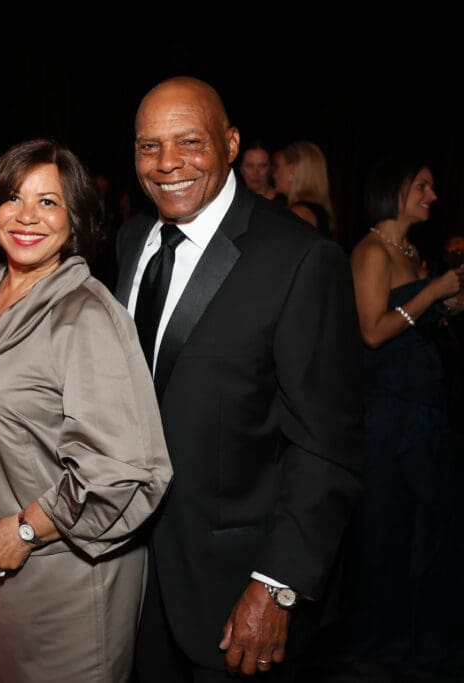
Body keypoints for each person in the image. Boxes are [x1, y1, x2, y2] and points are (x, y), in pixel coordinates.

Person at [113, 76, 364, 681]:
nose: (167, 163)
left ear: (229, 144)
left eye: (189, 142)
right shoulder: (131, 240)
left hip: (235, 593)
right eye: (149, 146)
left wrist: (277, 586)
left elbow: (326, 447)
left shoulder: (300, 259)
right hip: (130, 579)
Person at [0, 138, 173, 682]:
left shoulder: (85, 316)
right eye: (13, 198)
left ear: (74, 218)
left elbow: (119, 468)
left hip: (64, 580)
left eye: (49, 202)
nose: (27, 216)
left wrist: (26, 530)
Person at [344, 156, 464, 672]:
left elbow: (413, 322)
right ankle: (382, 646)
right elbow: (372, 332)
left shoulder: (413, 251)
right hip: (389, 413)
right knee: (389, 528)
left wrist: (446, 307)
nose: (432, 196)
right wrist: (433, 292)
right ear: (395, 190)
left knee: (430, 526)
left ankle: (425, 642)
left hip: (426, 405)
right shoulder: (371, 251)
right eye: (423, 186)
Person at [271, 140, 335, 239]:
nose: (274, 174)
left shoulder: (299, 213)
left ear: (292, 170)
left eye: (277, 167)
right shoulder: (312, 210)